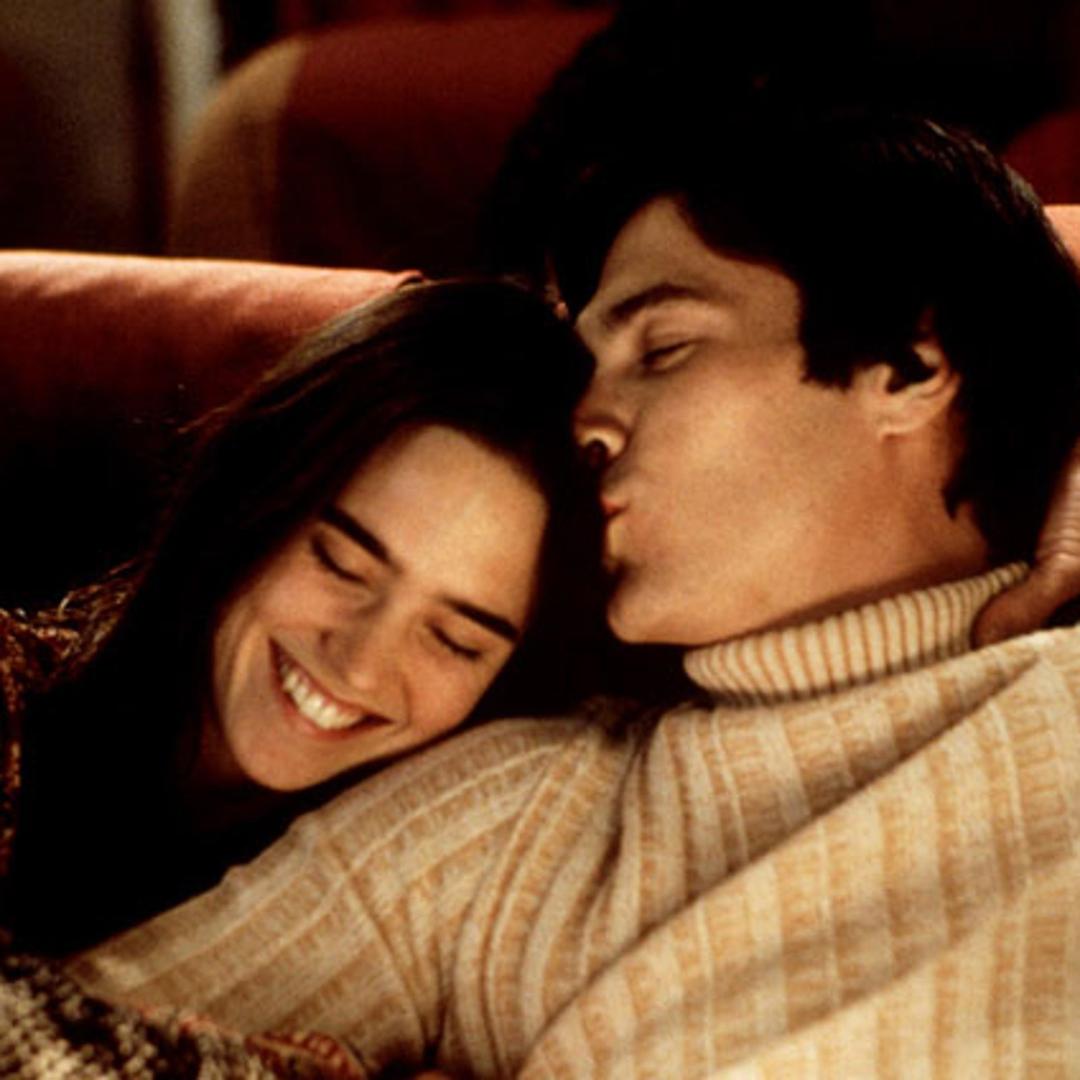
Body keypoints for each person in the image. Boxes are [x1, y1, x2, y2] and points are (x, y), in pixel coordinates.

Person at [66, 106, 1080, 1077]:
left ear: (907, 365)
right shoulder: (510, 820)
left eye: (663, 348)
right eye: (591, 369)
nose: (585, 419)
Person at [0, 278, 597, 959]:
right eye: (342, 564)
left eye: (454, 640)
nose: (360, 664)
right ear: (251, 500)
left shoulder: (429, 928)